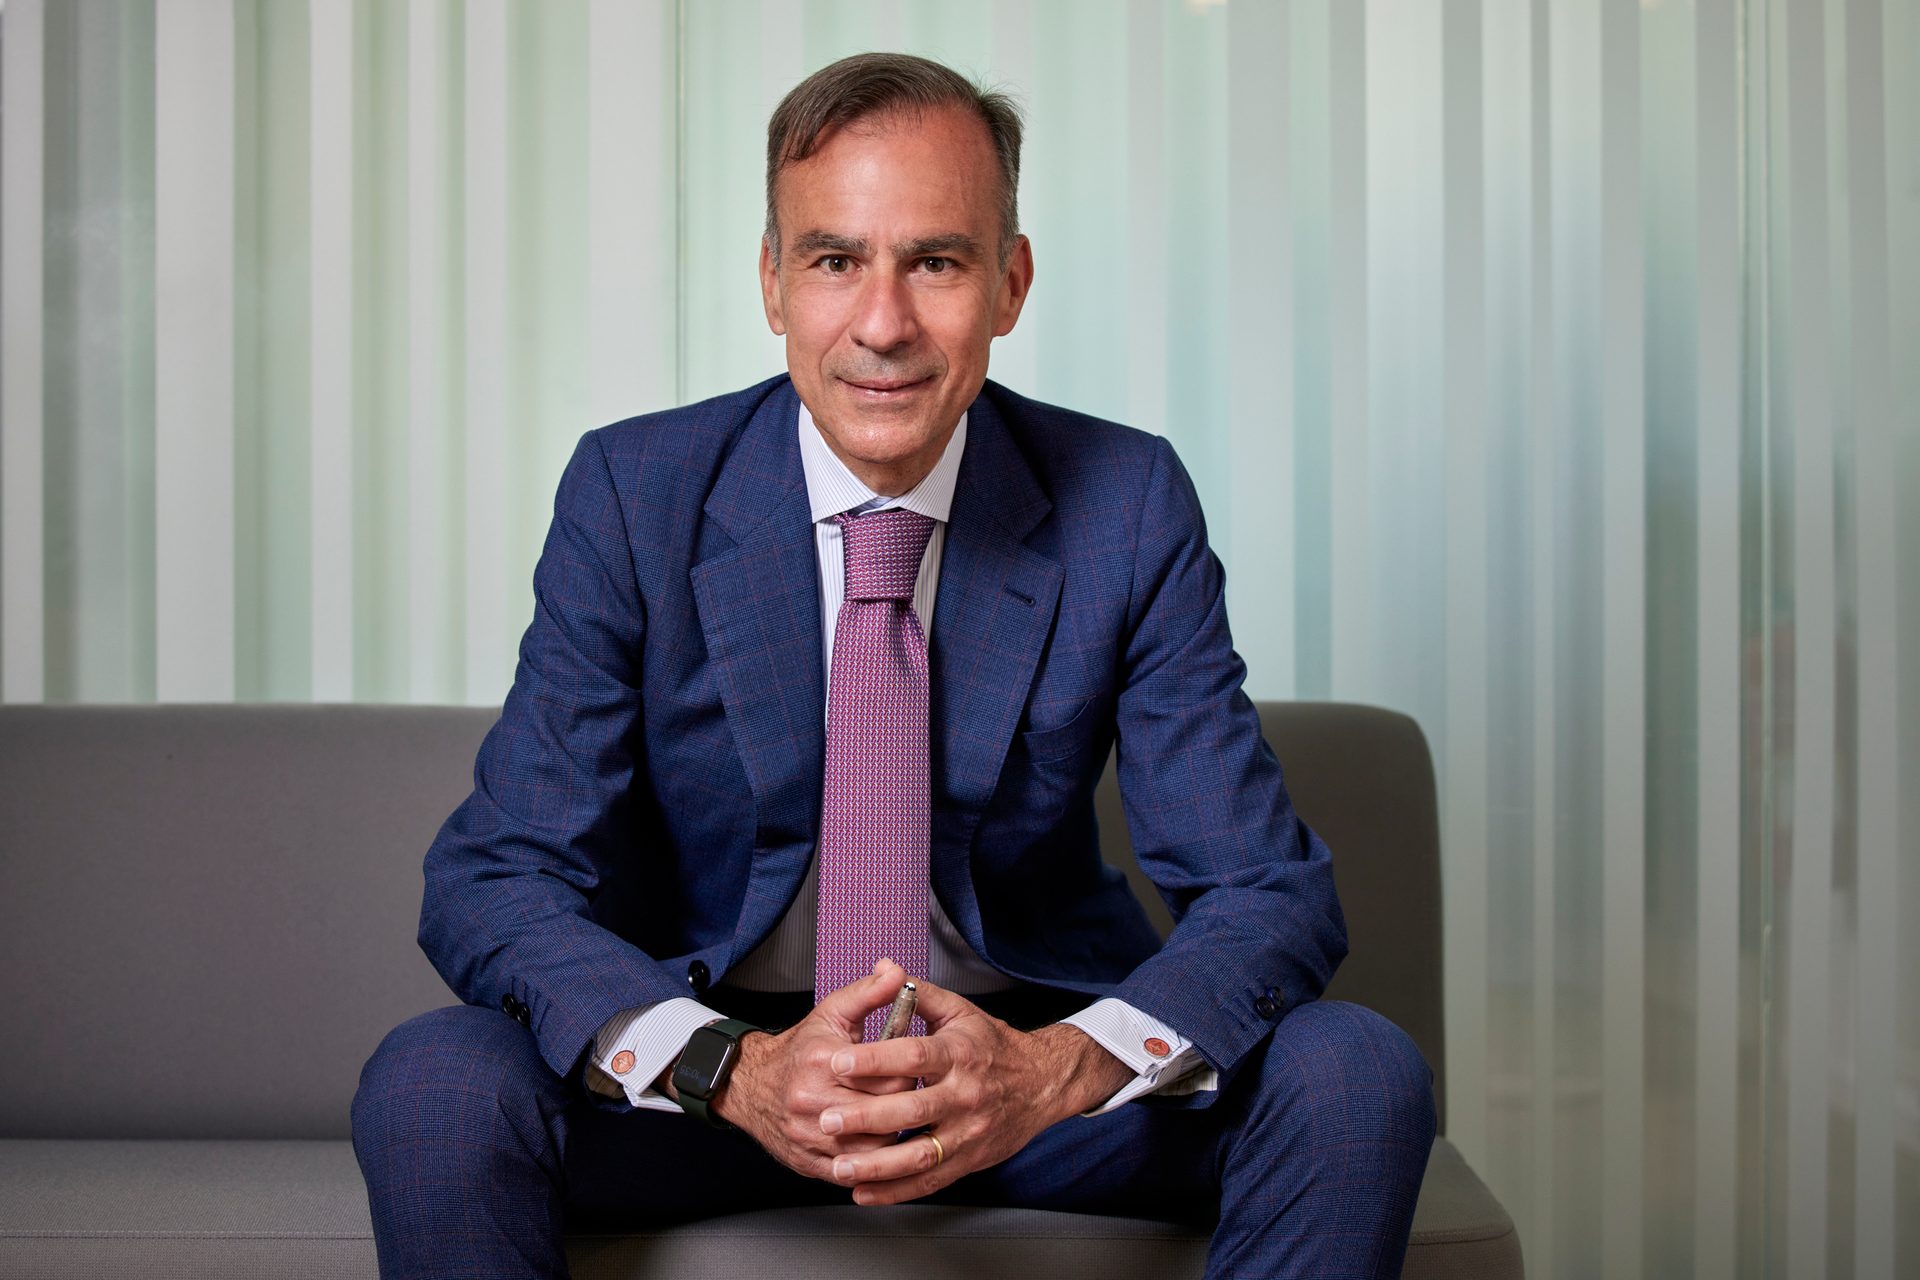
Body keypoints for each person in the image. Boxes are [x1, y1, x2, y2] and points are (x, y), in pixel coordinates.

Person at [352, 51, 1436, 1279]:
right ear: (771, 281)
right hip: (719, 1084)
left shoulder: (1125, 502)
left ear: (1010, 283)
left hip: (1020, 1077)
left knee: (1356, 1070)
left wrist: (1047, 1072)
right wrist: (736, 1070)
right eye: (833, 260)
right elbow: (495, 877)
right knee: (436, 1079)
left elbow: (1269, 894)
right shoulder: (633, 492)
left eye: (935, 261)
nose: (882, 323)